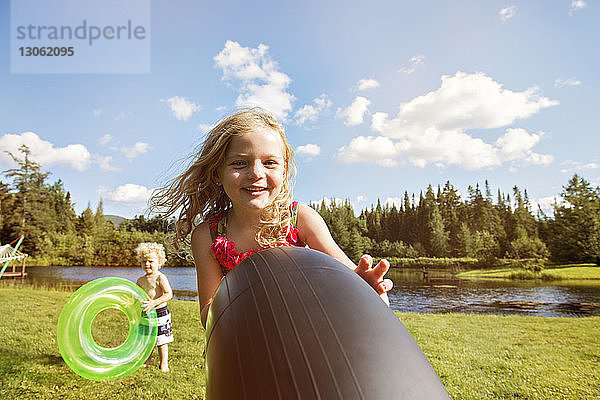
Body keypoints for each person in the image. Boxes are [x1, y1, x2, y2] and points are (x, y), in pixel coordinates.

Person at [150, 108, 393, 328]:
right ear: (217, 173)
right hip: (243, 347)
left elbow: (349, 273)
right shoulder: (207, 235)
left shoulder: (301, 219)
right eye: (239, 163)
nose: (256, 173)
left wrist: (366, 285)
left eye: (269, 163)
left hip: (305, 339)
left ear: (284, 171)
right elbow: (207, 314)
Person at [135, 242, 173, 372]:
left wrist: (154, 302)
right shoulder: (140, 280)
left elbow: (169, 294)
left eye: (150, 261)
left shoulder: (160, 277)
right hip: (146, 313)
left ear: (159, 262)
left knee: (161, 340)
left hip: (160, 312)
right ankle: (147, 360)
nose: (147, 264)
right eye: (144, 261)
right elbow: (136, 295)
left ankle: (164, 364)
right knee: (148, 339)